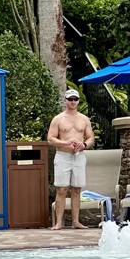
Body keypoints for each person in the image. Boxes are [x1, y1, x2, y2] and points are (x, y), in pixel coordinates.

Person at [47, 89, 95, 229]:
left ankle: (75, 221)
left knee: (76, 189)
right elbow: (50, 138)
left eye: (75, 99)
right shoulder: (58, 119)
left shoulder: (84, 119)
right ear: (65, 100)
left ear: (78, 101)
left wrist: (84, 144)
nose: (73, 102)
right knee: (61, 189)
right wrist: (65, 143)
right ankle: (58, 222)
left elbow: (91, 137)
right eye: (70, 99)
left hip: (78, 156)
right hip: (63, 156)